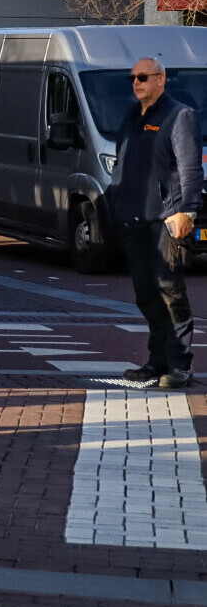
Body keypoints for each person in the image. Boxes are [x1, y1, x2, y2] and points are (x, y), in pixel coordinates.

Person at [112, 56, 200, 390]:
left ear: (161, 79)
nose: (137, 83)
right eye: (133, 77)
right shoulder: (133, 116)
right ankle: (157, 361)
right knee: (146, 293)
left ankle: (180, 365)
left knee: (170, 290)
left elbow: (191, 169)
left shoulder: (179, 116)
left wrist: (186, 212)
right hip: (137, 219)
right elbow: (123, 163)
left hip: (167, 220)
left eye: (143, 77)